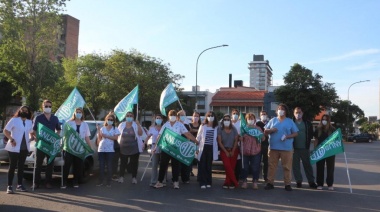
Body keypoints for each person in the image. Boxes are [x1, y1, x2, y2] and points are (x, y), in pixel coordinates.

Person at [153, 110, 198, 189]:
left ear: (176, 116)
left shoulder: (180, 125)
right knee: (163, 165)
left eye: (174, 115)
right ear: (168, 116)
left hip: (175, 149)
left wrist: (195, 140)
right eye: (171, 115)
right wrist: (155, 146)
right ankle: (159, 181)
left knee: (176, 166)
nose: (172, 116)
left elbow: (187, 134)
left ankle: (175, 182)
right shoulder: (165, 125)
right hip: (166, 148)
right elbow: (159, 136)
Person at [264, 103, 298, 191]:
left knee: (287, 167)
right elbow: (265, 131)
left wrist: (287, 136)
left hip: (286, 148)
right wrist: (271, 130)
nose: (280, 110)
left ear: (285, 111)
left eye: (282, 109)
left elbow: (295, 133)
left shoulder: (290, 121)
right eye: (279, 109)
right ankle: (270, 183)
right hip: (273, 148)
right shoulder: (272, 120)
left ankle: (287, 184)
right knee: (272, 166)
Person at [32, 100, 61, 189]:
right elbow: (34, 130)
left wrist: (56, 137)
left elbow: (58, 129)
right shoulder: (38, 117)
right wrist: (36, 138)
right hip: (41, 144)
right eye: (46, 106)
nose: (48, 107)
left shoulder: (55, 118)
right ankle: (36, 182)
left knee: (50, 164)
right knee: (38, 164)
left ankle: (48, 182)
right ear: (42, 107)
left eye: (49, 106)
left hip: (51, 145)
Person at [4, 106, 33, 194]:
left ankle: (20, 185)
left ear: (28, 112)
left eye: (26, 110)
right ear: (19, 111)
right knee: (12, 166)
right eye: (22, 110)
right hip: (14, 147)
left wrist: (32, 137)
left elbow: (31, 132)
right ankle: (9, 186)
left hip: (24, 147)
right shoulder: (14, 120)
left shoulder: (29, 122)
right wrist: (11, 139)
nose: (24, 111)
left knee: (21, 167)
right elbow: (6, 130)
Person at [62, 107, 92, 189]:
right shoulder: (69, 123)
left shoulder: (85, 124)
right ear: (74, 113)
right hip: (69, 148)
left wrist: (90, 147)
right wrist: (62, 146)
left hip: (80, 149)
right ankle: (64, 182)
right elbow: (64, 135)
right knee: (67, 165)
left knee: (78, 166)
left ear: (82, 114)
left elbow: (86, 137)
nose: (78, 113)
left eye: (80, 112)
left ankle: (75, 181)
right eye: (77, 112)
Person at [292, 107, 318, 189]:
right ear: (294, 113)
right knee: (295, 166)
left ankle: (311, 181)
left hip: (305, 148)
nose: (298, 114)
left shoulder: (307, 123)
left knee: (307, 165)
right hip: (294, 148)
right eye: (296, 112)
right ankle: (298, 181)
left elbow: (312, 134)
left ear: (302, 113)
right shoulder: (291, 122)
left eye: (299, 112)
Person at [117, 111, 143, 184]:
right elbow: (117, 134)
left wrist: (138, 125)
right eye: (128, 116)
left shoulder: (135, 125)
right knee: (123, 163)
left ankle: (134, 178)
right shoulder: (121, 125)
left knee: (134, 164)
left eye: (131, 116)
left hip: (134, 148)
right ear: (125, 117)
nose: (129, 117)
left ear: (133, 117)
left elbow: (140, 134)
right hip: (123, 148)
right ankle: (121, 177)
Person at [241, 113, 265, 189]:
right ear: (246, 120)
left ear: (254, 120)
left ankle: (255, 181)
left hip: (256, 151)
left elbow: (263, 138)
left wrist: (260, 136)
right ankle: (244, 181)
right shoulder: (243, 129)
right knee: (245, 167)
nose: (250, 120)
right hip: (245, 150)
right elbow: (239, 138)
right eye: (249, 119)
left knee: (255, 167)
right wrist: (240, 138)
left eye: (252, 118)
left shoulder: (258, 128)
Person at [96, 113, 120, 187]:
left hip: (110, 150)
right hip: (101, 149)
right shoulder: (102, 128)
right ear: (106, 120)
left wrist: (106, 136)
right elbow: (99, 139)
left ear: (113, 121)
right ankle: (100, 181)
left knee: (109, 166)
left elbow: (115, 138)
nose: (110, 121)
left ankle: (108, 182)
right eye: (108, 119)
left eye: (111, 120)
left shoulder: (115, 129)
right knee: (101, 166)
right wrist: (98, 132)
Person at [197, 111, 219, 189]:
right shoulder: (203, 126)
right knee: (202, 165)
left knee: (209, 166)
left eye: (212, 116)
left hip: (211, 148)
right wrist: (196, 148)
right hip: (203, 148)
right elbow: (198, 137)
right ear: (206, 117)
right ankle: (202, 182)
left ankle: (208, 182)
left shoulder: (216, 127)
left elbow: (217, 139)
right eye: (209, 116)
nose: (210, 117)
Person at [314, 114, 336, 191]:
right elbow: (316, 140)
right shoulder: (318, 129)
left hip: (330, 151)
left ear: (329, 120)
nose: (324, 121)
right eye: (323, 119)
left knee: (330, 168)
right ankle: (319, 184)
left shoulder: (333, 129)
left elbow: (335, 141)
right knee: (320, 167)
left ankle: (330, 184)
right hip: (320, 151)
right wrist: (315, 150)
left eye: (326, 119)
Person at [217, 114, 239, 189]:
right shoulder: (220, 129)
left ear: (230, 120)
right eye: (225, 120)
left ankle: (228, 182)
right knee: (227, 166)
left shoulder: (234, 129)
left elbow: (236, 140)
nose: (226, 121)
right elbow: (219, 142)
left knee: (231, 167)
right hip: (224, 150)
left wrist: (233, 151)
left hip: (234, 150)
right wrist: (226, 151)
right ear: (223, 121)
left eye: (228, 120)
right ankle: (235, 182)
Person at [145, 114, 164, 187]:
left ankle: (162, 181)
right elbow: (148, 136)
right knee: (154, 165)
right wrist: (144, 144)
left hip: (163, 148)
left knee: (163, 165)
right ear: (155, 119)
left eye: (160, 118)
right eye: (157, 118)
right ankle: (153, 181)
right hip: (154, 148)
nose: (158, 119)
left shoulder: (164, 127)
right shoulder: (152, 128)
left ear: (162, 119)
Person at [177, 110, 192, 184]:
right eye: (181, 115)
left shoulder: (187, 125)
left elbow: (188, 135)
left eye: (184, 115)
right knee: (177, 163)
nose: (183, 116)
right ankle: (175, 179)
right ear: (178, 116)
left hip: (185, 146)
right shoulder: (176, 125)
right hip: (177, 145)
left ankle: (185, 178)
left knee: (185, 163)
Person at [256, 110, 269, 183]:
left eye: (264, 114)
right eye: (262, 114)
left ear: (267, 115)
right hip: (259, 144)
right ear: (260, 116)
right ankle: (256, 176)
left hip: (267, 145)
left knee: (266, 162)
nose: (263, 116)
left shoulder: (269, 123)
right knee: (257, 161)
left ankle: (265, 176)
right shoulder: (257, 124)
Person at [230, 109, 242, 182]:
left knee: (237, 162)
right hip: (229, 145)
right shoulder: (228, 123)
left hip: (238, 146)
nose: (235, 115)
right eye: (234, 113)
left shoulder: (241, 123)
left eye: (236, 113)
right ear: (231, 114)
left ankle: (236, 178)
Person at [189, 111, 201, 177]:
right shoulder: (189, 125)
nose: (195, 117)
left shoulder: (201, 125)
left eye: (197, 116)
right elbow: (189, 132)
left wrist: (194, 130)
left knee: (199, 158)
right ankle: (189, 171)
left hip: (198, 144)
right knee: (190, 158)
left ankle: (199, 173)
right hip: (191, 143)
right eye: (194, 116)